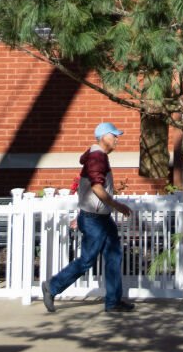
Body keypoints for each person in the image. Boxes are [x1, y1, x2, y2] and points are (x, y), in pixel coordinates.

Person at [42, 123, 135, 316]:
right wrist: (117, 206)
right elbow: (96, 188)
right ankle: (52, 287)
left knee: (113, 256)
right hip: (94, 219)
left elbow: (87, 191)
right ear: (102, 137)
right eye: (114, 136)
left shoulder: (98, 156)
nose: (117, 139)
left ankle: (113, 302)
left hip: (100, 218)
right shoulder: (97, 157)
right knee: (87, 260)